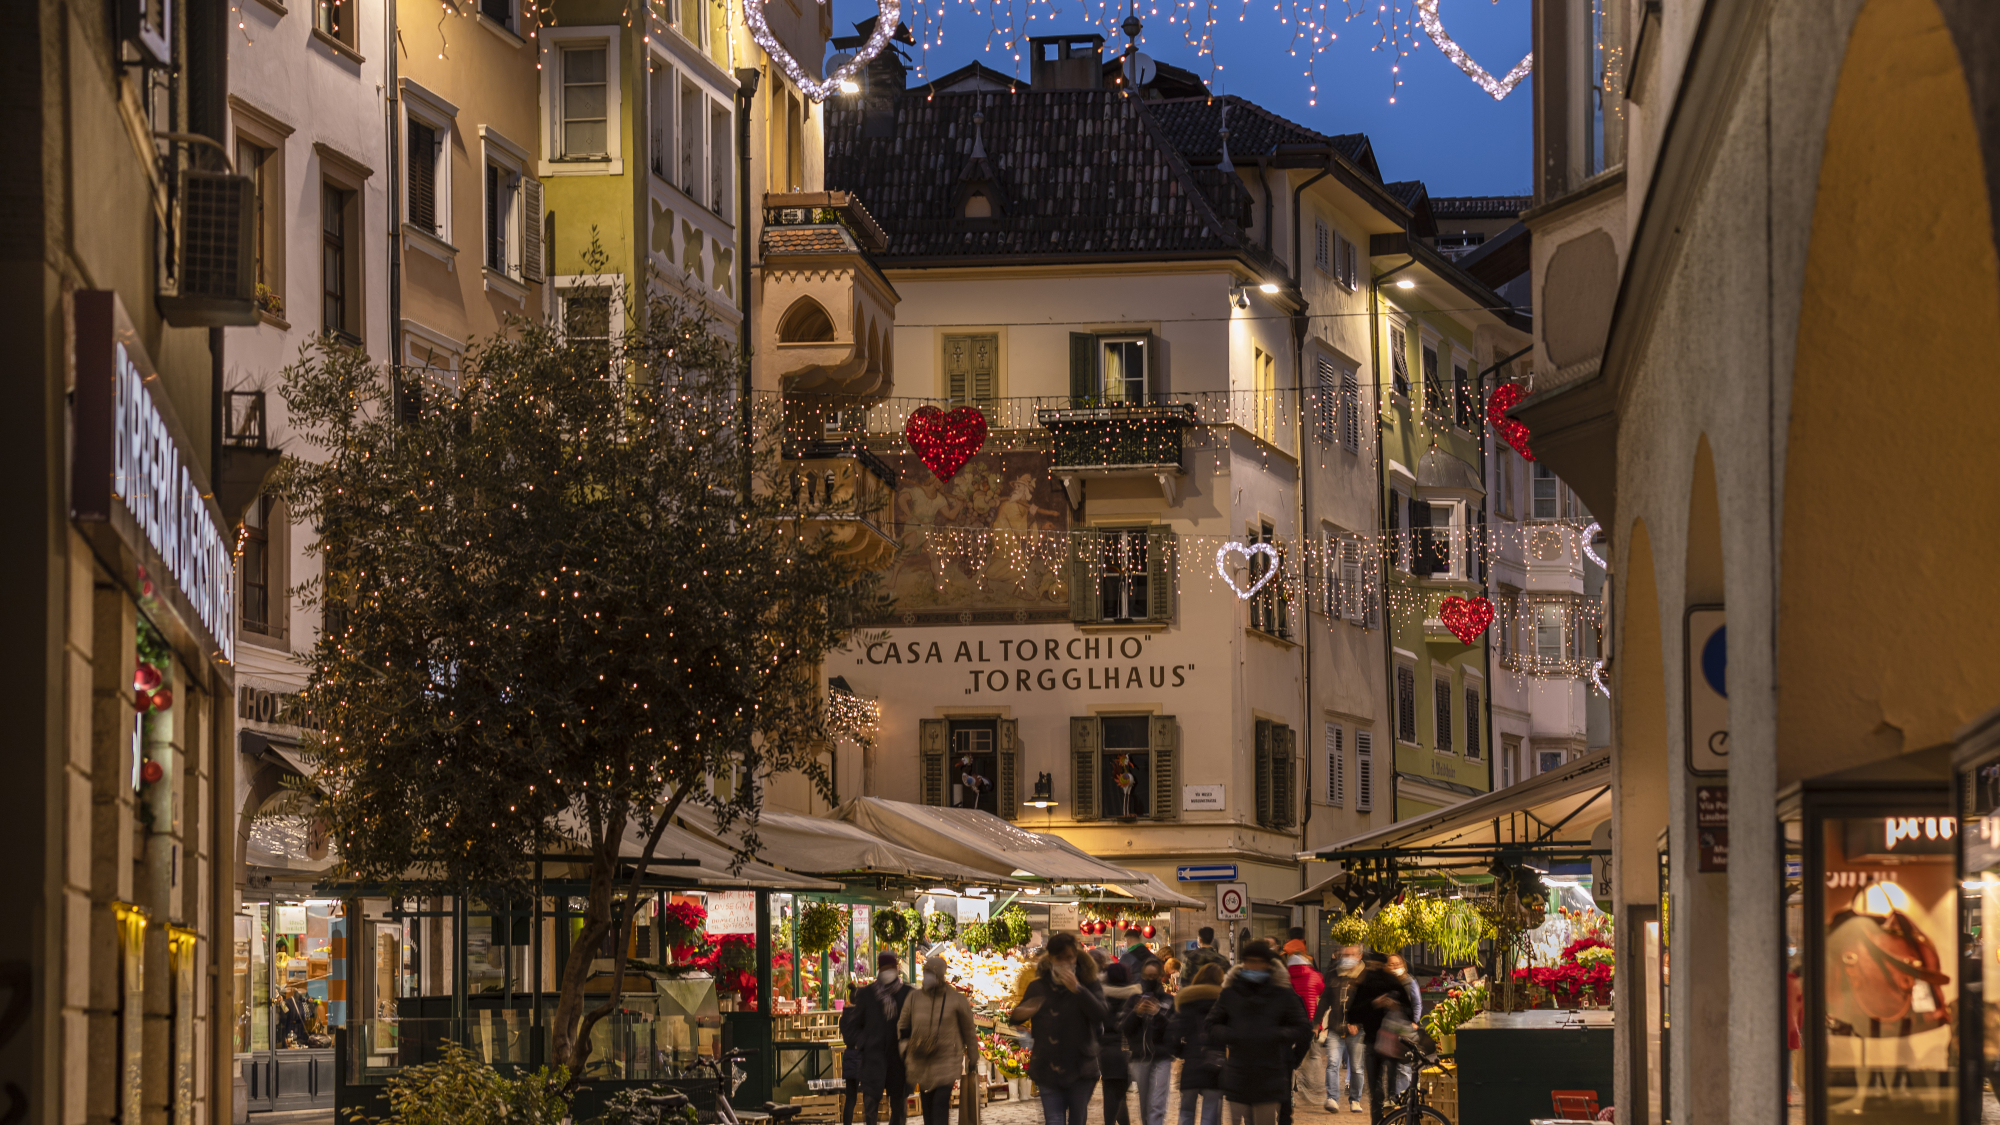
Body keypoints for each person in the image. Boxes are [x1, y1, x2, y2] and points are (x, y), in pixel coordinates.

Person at [1009, 932, 1110, 1125]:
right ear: (1051, 958)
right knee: (1053, 1120)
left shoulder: (1089, 982)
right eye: (1059, 958)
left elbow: (1101, 1014)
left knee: (1077, 1119)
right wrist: (1023, 1012)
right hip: (1047, 1067)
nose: (1065, 963)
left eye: (1069, 958)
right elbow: (1016, 1015)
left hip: (1080, 1068)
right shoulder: (1038, 985)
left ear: (1076, 957)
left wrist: (1079, 990)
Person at [1205, 941, 1309, 1125]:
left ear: (1267, 964)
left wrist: (1275, 1036)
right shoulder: (1230, 993)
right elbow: (1211, 1024)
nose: (1254, 966)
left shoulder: (1283, 994)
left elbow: (1302, 1028)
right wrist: (1233, 1035)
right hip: (1238, 1073)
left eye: (1258, 962)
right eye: (1249, 961)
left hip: (1269, 1075)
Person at [899, 955, 980, 1125]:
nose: (928, 976)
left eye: (931, 973)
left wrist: (973, 1056)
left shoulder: (956, 1000)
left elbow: (968, 1030)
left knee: (940, 1106)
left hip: (946, 1063)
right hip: (921, 1063)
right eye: (926, 972)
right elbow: (903, 1024)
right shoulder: (914, 998)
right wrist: (904, 1045)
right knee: (928, 1110)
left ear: (941, 976)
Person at [843, 951, 914, 1125]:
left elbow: (914, 1025)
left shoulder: (907, 994)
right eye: (884, 967)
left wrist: (908, 1045)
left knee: (898, 1110)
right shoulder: (867, 995)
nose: (888, 971)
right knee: (870, 1109)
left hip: (898, 1061)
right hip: (873, 1060)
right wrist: (864, 1042)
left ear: (897, 968)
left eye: (890, 967)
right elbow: (852, 1027)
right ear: (879, 969)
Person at [1343, 951, 1408, 1125]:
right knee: (1376, 1091)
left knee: (1390, 1090)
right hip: (1373, 1042)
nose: (1375, 970)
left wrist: (1395, 1006)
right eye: (1372, 966)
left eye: (1378, 966)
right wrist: (1374, 1004)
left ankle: (1392, 1119)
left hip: (1391, 1042)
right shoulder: (1365, 983)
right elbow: (1353, 1014)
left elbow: (1408, 1012)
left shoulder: (1391, 982)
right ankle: (1379, 1122)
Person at [1170, 964, 1226, 1125]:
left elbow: (1174, 1032)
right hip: (1215, 1064)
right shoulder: (1223, 1004)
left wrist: (1181, 1052)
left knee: (1186, 1112)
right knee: (1210, 1111)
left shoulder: (1187, 1003)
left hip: (1191, 1064)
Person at [1122, 959, 1175, 1125]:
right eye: (1147, 976)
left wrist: (1157, 1013)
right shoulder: (1133, 1000)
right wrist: (1137, 1013)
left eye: (1154, 976)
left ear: (1160, 976)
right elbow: (1125, 1029)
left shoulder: (1168, 1001)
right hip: (1139, 1057)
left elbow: (1173, 1030)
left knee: (1157, 1104)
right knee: (1144, 1103)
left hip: (1162, 1057)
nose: (1150, 979)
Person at [1316, 946, 1366, 1114]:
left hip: (1356, 1031)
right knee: (1332, 1063)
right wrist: (1316, 1023)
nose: (1347, 958)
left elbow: (1368, 1004)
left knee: (1357, 1067)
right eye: (1344, 955)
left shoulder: (1365, 976)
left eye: (1351, 955)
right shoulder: (1333, 972)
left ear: (1359, 956)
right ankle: (1332, 1098)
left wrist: (1358, 1024)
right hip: (1336, 1027)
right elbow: (1325, 999)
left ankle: (1355, 1100)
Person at [1100, 963, 1137, 1125]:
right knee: (1118, 1095)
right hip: (1127, 1049)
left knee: (1112, 1095)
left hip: (1106, 1051)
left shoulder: (1101, 997)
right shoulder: (1134, 997)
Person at [1386, 955, 1423, 1095]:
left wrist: (1415, 1022)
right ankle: (1395, 1097)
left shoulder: (1409, 981)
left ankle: (1404, 1097)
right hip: (1389, 1029)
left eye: (1397, 964)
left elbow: (1417, 1003)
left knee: (1403, 1065)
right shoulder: (1385, 982)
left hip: (1405, 1028)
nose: (1395, 967)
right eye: (1392, 964)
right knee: (1392, 1067)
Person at [1281, 929, 1323, 1025]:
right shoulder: (1309, 959)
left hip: (1288, 1009)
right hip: (1309, 1011)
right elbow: (1318, 982)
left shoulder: (1281, 957)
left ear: (1287, 940)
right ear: (1304, 940)